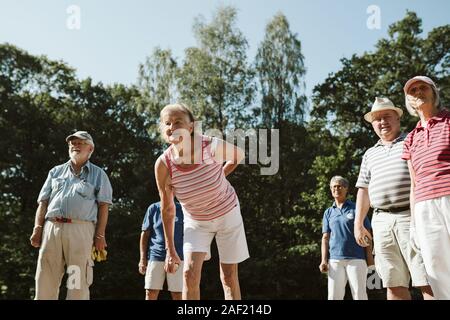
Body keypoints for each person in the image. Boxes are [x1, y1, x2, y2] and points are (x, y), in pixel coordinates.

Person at [154, 103, 249, 300]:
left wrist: (220, 175)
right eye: (167, 123)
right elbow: (168, 208)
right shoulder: (163, 164)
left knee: (228, 276)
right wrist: (170, 249)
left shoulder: (209, 146)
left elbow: (238, 155)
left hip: (227, 214)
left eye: (178, 121)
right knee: (188, 274)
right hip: (196, 221)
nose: (172, 127)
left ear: (191, 127)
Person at [354, 97, 433, 300]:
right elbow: (363, 189)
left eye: (387, 116)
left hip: (411, 216)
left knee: (426, 278)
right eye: (377, 119)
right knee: (392, 282)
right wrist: (359, 223)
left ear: (397, 118)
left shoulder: (412, 140)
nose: (382, 122)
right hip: (381, 221)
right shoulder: (369, 154)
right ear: (372, 124)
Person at [29, 131, 113, 300]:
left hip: (80, 230)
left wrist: (100, 235)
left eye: (80, 143)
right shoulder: (55, 172)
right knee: (45, 277)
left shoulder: (98, 174)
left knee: (77, 279)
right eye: (72, 143)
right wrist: (37, 228)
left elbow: (104, 207)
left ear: (90, 148)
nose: (75, 146)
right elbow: (43, 202)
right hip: (51, 228)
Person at [401, 76, 450, 300]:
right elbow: (414, 182)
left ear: (434, 93)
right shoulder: (410, 139)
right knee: (435, 268)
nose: (418, 92)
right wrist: (413, 224)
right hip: (423, 207)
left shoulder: (448, 120)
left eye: (423, 87)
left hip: (448, 195)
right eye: (413, 91)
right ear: (409, 101)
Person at [320, 176, 373, 300]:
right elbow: (325, 238)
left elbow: (367, 233)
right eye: (333, 186)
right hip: (335, 260)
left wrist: (369, 257)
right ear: (330, 189)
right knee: (333, 296)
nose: (336, 189)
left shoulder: (356, 208)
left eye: (339, 186)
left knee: (359, 295)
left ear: (346, 189)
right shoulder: (328, 212)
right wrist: (324, 260)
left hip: (357, 258)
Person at [138, 201, 184, 300]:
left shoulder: (182, 208)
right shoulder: (153, 208)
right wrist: (142, 258)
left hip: (178, 256)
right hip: (156, 255)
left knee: (178, 294)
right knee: (150, 291)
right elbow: (145, 234)